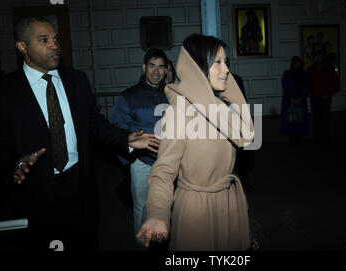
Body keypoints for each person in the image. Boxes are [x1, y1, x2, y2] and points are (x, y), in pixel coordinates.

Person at [0, 16, 159, 251]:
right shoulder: (3, 92)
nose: (54, 45)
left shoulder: (76, 80)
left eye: (55, 39)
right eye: (44, 40)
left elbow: (95, 124)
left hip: (80, 186)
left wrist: (125, 139)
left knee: (84, 242)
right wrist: (12, 166)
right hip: (36, 192)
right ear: (22, 47)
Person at [136, 34, 254, 250]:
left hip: (228, 203)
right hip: (197, 211)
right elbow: (163, 171)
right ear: (197, 68)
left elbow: (246, 133)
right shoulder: (179, 112)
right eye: (217, 62)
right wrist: (158, 212)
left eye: (226, 62)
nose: (226, 69)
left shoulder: (222, 107)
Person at [110, 48, 169, 246]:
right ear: (144, 67)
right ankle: (142, 243)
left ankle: (164, 240)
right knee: (142, 205)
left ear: (166, 70)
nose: (156, 71)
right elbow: (118, 130)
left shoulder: (172, 95)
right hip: (141, 162)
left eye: (161, 67)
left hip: (169, 161)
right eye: (152, 65)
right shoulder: (128, 96)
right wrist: (130, 159)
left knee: (167, 203)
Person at [307, 51, 339, 142]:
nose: (318, 59)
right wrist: (309, 93)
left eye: (319, 57)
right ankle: (317, 137)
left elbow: (335, 84)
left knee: (325, 118)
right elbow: (306, 83)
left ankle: (325, 137)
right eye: (316, 57)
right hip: (314, 97)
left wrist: (329, 94)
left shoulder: (329, 69)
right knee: (316, 118)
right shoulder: (310, 70)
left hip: (325, 97)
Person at [280, 56, 309, 144]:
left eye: (298, 63)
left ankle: (299, 138)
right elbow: (285, 86)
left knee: (300, 120)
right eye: (294, 63)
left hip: (301, 101)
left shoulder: (304, 74)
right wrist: (291, 97)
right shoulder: (287, 73)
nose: (296, 64)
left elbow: (306, 87)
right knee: (291, 120)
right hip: (289, 101)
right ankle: (291, 139)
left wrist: (300, 97)